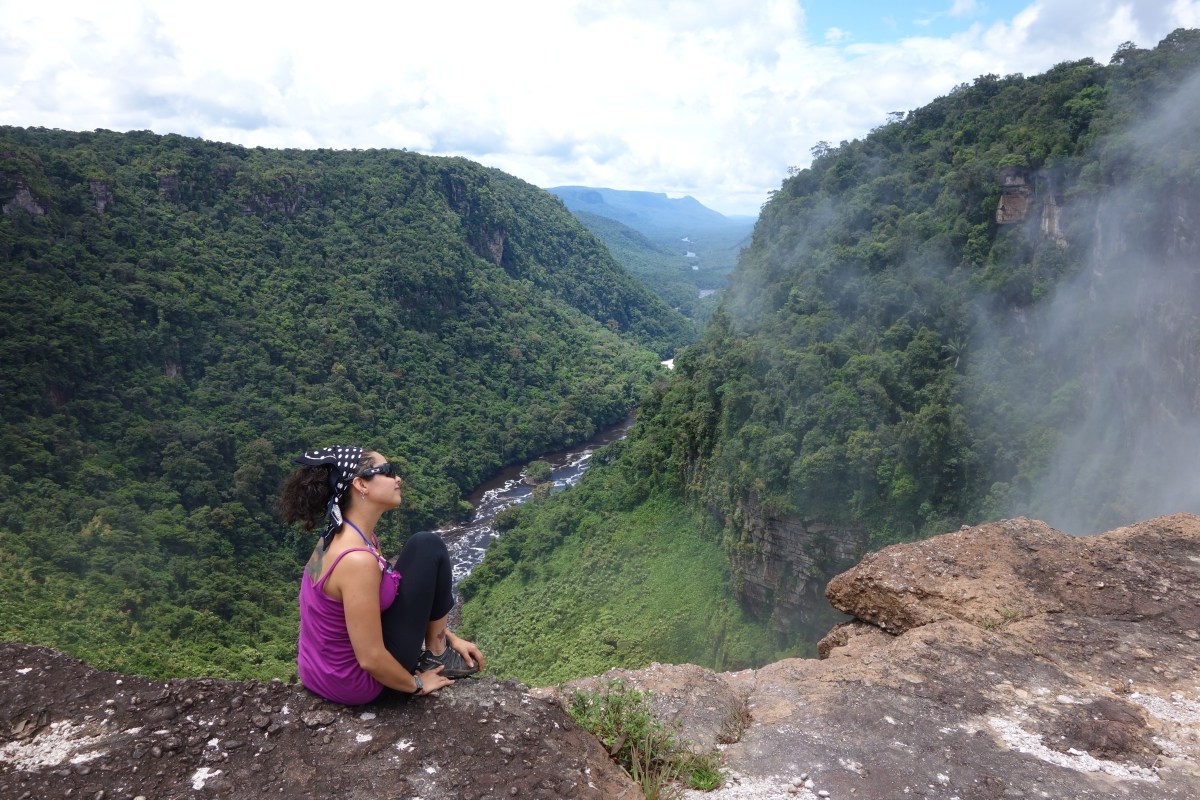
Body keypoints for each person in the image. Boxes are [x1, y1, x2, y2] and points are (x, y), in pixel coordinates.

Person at [278, 445, 485, 705]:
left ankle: (439, 645)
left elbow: (371, 606)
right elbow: (370, 658)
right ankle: (436, 655)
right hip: (355, 681)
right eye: (386, 472)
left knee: (424, 544)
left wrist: (447, 634)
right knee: (429, 546)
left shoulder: (341, 536)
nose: (397, 479)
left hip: (318, 671)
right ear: (360, 485)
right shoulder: (357, 561)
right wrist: (417, 684)